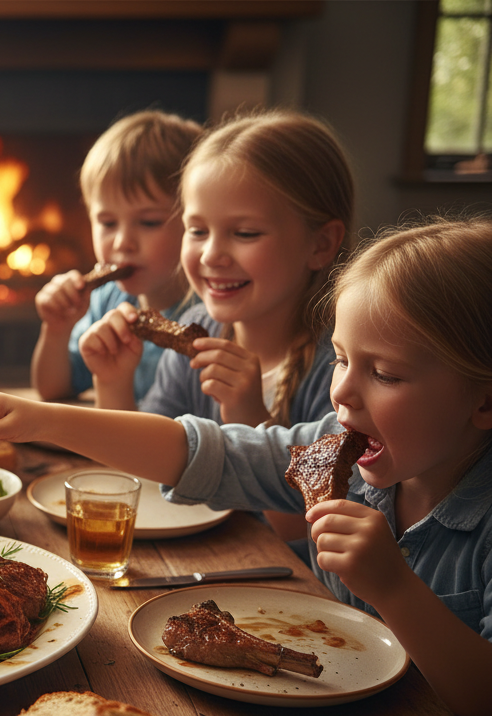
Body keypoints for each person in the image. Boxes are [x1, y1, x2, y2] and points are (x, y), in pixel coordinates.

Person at [0, 216, 492, 716]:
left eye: (386, 374)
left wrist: (395, 587)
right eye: (341, 359)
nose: (344, 392)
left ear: (483, 399)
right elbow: (207, 452)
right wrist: (44, 418)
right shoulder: (334, 444)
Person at [122, 109, 353, 548]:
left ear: (320, 244)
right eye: (196, 230)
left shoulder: (343, 371)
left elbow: (308, 541)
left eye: (244, 233)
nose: (211, 255)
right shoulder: (196, 337)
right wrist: (112, 378)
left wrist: (250, 420)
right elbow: (143, 476)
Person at [30, 110, 203, 406]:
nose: (123, 242)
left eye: (148, 222)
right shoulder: (107, 299)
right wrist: (57, 331)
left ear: (195, 224)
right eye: (108, 224)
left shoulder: (205, 318)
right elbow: (53, 390)